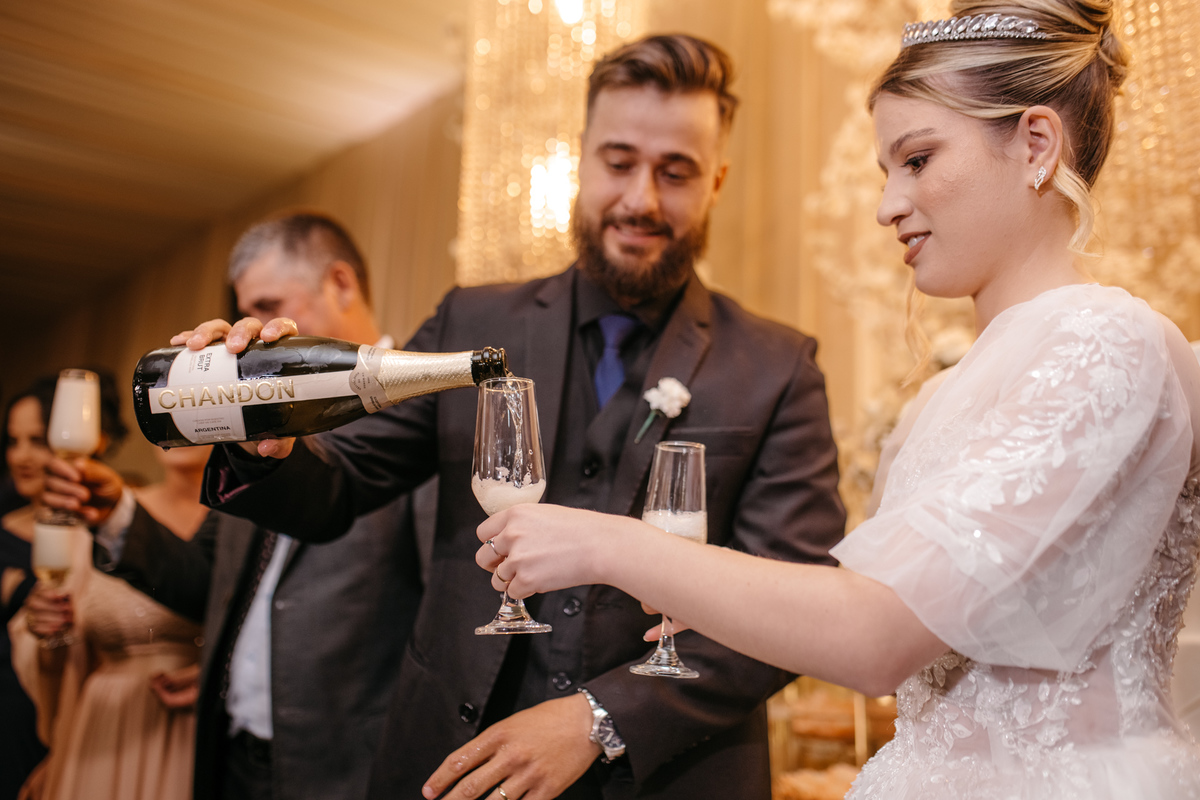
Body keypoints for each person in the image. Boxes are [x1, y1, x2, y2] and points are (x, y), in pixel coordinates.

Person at [475, 2, 1200, 797]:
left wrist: (609, 546)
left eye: (917, 159)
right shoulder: (943, 396)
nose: (888, 206)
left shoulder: (1104, 342)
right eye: (887, 172)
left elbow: (876, 636)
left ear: (1035, 144)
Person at [165, 34, 845, 800]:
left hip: (668, 778)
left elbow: (797, 604)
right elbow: (337, 486)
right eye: (619, 162)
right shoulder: (473, 321)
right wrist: (264, 442)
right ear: (581, 157)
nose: (641, 200)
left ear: (715, 180)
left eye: (676, 171)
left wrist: (600, 718)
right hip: (447, 764)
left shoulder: (779, 367)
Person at [45, 211, 426, 800]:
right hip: (231, 758)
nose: (264, 330)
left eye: (271, 304)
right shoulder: (252, 421)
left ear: (341, 283)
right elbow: (207, 581)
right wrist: (116, 513)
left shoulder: (418, 416)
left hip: (352, 768)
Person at [10, 376, 199, 800]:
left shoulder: (248, 526)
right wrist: (49, 631)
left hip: (198, 737)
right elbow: (62, 649)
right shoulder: (108, 516)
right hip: (102, 733)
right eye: (170, 400)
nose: (180, 414)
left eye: (199, 401)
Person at [1, 379, 56, 800]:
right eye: (13, 441)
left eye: (36, 441)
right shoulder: (3, 530)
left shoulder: (106, 537)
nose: (20, 456)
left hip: (66, 728)